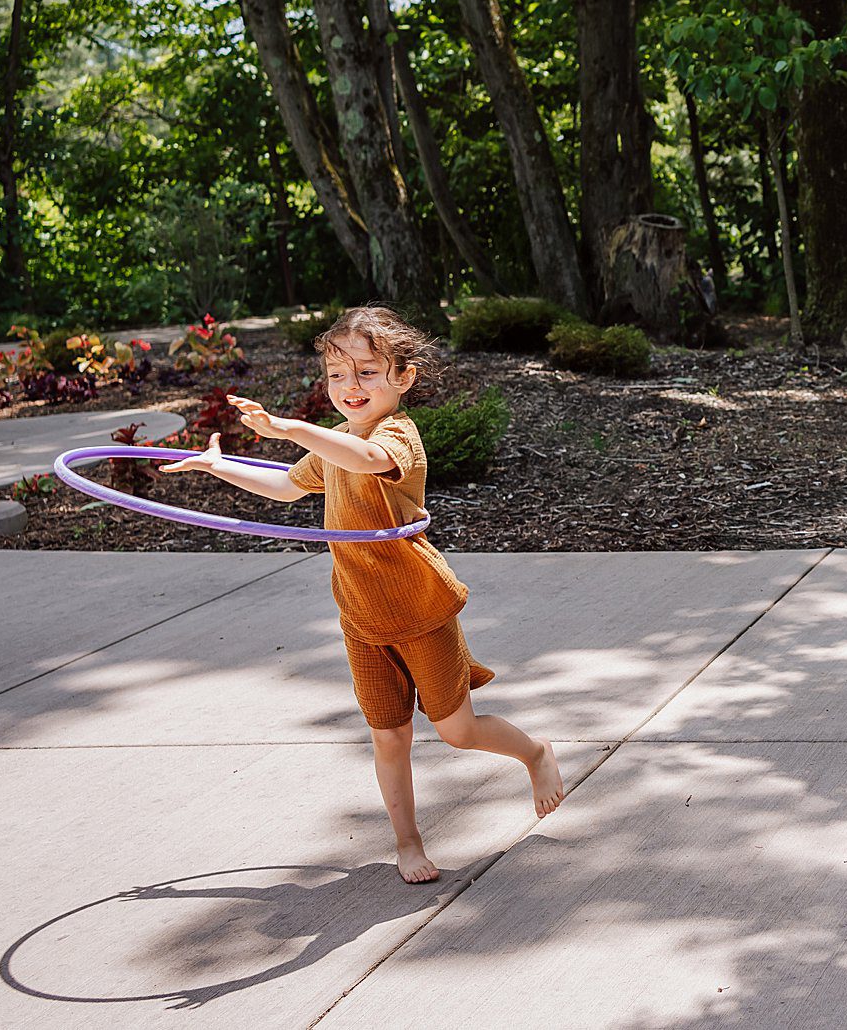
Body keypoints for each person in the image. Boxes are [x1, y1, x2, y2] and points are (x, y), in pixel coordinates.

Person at [165, 305, 564, 881]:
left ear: (403, 377)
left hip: (420, 610)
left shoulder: (395, 435)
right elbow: (283, 488)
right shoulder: (334, 443)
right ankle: (407, 842)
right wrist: (217, 466)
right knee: (388, 736)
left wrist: (293, 429)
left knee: (457, 731)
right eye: (337, 375)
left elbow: (370, 460)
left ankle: (535, 753)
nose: (350, 387)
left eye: (367, 372)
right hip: (361, 617)